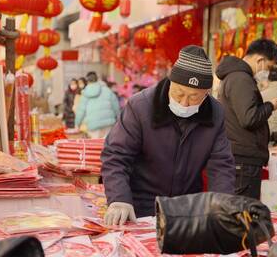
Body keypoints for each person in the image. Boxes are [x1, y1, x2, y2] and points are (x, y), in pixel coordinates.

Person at [101, 45, 235, 225]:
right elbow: (116, 155)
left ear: (206, 94)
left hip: (186, 210)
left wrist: (222, 205)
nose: (185, 103)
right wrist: (119, 198)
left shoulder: (215, 113)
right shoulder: (141, 106)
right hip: (140, 208)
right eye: (179, 93)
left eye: (194, 97)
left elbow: (222, 166)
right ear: (171, 82)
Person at [216, 38, 277, 199]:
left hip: (240, 156)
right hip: (243, 159)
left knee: (237, 211)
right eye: (268, 67)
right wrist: (269, 106)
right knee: (242, 213)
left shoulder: (236, 77)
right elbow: (249, 118)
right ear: (260, 60)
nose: (267, 71)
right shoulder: (241, 79)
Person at [75, 72, 120, 139]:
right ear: (97, 79)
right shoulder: (107, 90)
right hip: (108, 124)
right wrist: (119, 119)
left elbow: (81, 110)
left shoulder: (85, 93)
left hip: (93, 124)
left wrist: (77, 125)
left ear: (87, 81)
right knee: (107, 145)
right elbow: (116, 107)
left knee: (95, 146)